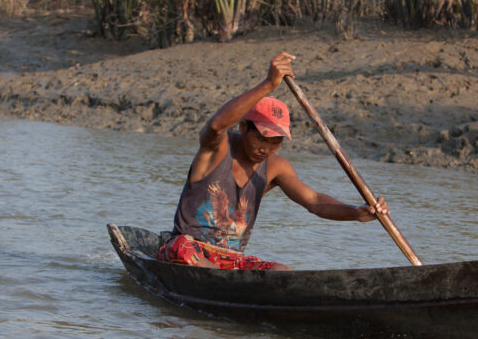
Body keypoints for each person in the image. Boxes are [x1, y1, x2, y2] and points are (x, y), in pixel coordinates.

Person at [157, 51, 389, 270]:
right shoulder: (218, 148)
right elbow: (216, 125)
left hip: (230, 261)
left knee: (281, 271)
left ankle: (235, 284)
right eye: (261, 138)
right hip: (187, 251)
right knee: (180, 248)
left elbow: (315, 201)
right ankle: (231, 284)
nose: (266, 149)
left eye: (276, 142)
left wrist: (356, 213)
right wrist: (268, 84)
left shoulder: (276, 166)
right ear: (243, 127)